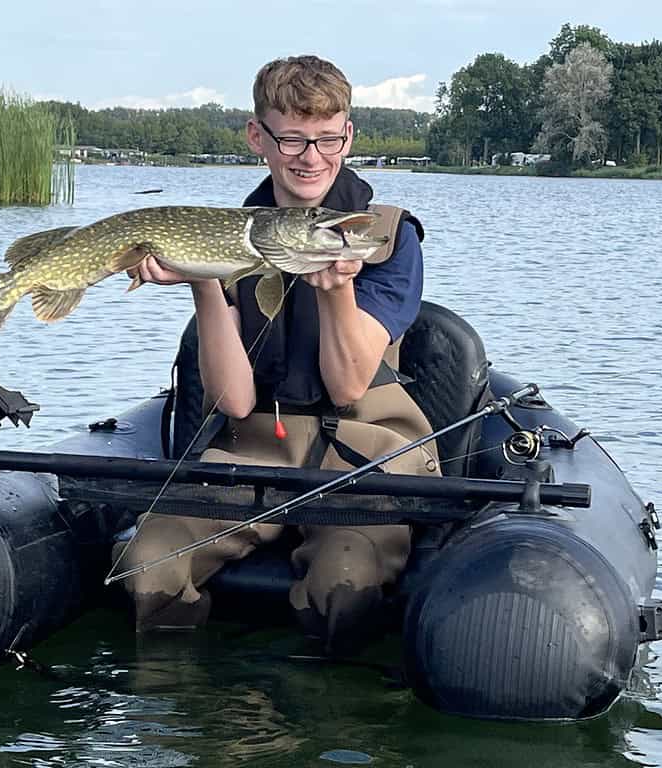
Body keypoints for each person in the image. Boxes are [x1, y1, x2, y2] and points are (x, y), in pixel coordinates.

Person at [115, 55, 440, 654]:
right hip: (257, 445)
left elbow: (347, 388)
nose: (310, 156)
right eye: (291, 137)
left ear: (348, 134)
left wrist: (338, 287)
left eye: (326, 138)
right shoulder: (228, 232)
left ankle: (335, 726)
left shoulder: (387, 238)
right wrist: (202, 277)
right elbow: (234, 399)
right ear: (257, 137)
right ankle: (185, 711)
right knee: (148, 567)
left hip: (363, 454)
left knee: (345, 580)